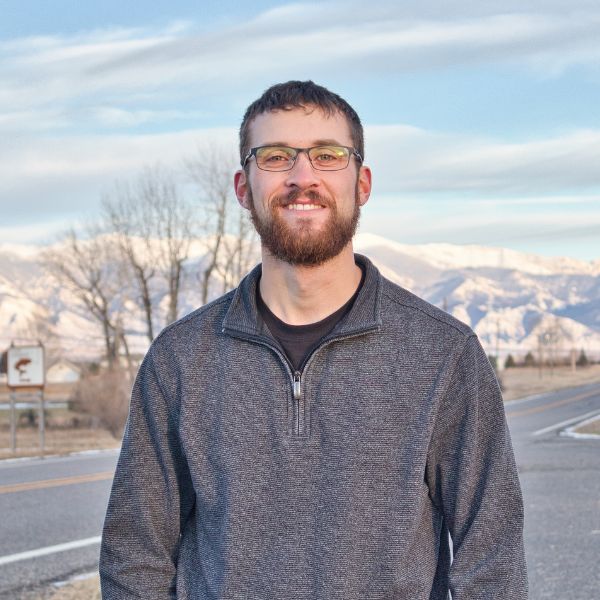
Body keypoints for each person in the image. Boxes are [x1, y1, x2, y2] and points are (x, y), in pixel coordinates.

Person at [100, 80, 528, 599]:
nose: (303, 177)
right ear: (243, 187)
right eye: (276, 156)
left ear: (362, 184)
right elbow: (135, 554)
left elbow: (492, 557)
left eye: (327, 156)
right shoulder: (181, 359)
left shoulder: (443, 353)